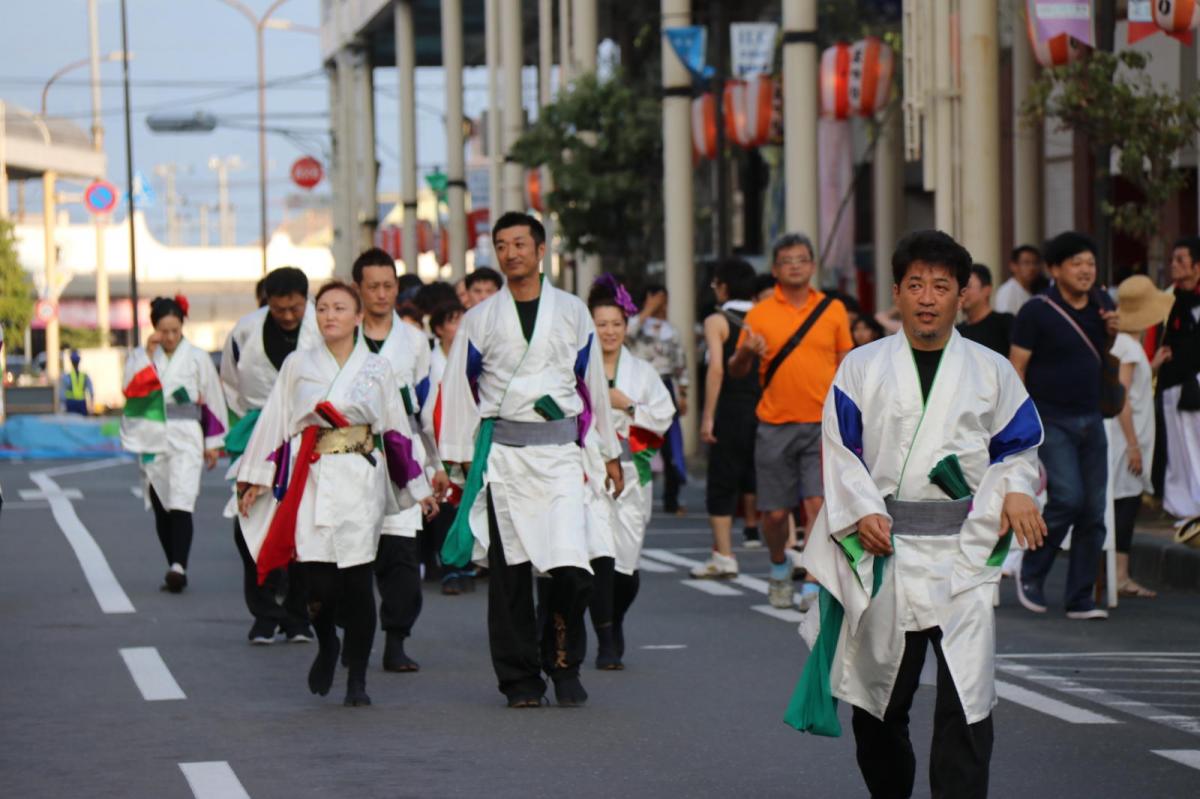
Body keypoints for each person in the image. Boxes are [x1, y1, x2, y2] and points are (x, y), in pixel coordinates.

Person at [788, 229, 1045, 799]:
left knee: (968, 705)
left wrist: (1018, 491)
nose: (927, 298)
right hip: (888, 552)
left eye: (941, 286)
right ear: (897, 294)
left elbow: (1018, 449)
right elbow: (840, 450)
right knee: (877, 707)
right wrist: (859, 512)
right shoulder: (861, 367)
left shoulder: (992, 371)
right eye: (916, 286)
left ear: (964, 296)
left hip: (964, 553)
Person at [436, 212, 621, 708]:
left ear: (541, 250)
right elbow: (459, 389)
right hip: (505, 458)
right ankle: (519, 679)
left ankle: (562, 661)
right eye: (502, 245)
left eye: (520, 243)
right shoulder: (480, 318)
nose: (511, 252)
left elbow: (592, 384)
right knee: (512, 573)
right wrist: (452, 463)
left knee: (571, 568)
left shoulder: (573, 311)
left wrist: (609, 451)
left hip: (562, 454)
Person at [236, 281, 431, 707]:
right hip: (314, 479)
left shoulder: (379, 369)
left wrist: (420, 486)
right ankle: (327, 644)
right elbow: (275, 422)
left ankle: (357, 678)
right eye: (322, 308)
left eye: (339, 308)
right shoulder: (297, 364)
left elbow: (396, 433)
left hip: (360, 481)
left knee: (358, 583)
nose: (329, 316)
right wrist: (254, 477)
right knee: (317, 584)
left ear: (358, 316)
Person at [727, 233, 853, 609]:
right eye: (787, 260)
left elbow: (848, 364)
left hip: (821, 424)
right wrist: (746, 353)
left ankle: (812, 580)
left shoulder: (833, 310)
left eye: (802, 259)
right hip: (774, 423)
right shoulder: (759, 314)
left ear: (812, 266)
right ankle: (779, 563)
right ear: (776, 269)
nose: (795, 265)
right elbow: (737, 371)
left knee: (816, 504)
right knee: (776, 512)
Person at [1010, 231, 1119, 619]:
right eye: (1077, 263)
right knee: (1068, 499)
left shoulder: (1103, 306)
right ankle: (1033, 567)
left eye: (1090, 263)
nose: (1086, 270)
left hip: (1093, 417)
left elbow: (1105, 355)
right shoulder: (1037, 311)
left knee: (1093, 511)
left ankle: (1080, 598)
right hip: (1051, 420)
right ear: (1056, 269)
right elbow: (1017, 367)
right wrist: (1018, 422)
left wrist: (1112, 331)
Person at [353, 247, 445, 673]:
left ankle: (395, 640)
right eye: (373, 286)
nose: (382, 294)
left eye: (388, 285)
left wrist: (437, 463)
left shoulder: (414, 342)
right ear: (359, 289)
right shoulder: (338, 336)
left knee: (402, 557)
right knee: (350, 556)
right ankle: (350, 638)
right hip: (348, 455)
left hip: (402, 456)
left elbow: (424, 409)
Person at [221, 267, 322, 644]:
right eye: (279, 309)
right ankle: (264, 612)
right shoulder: (245, 330)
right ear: (268, 302)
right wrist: (251, 422)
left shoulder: (323, 325)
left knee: (304, 527)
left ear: (306, 299)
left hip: (308, 432)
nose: (288, 316)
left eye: (295, 308)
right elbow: (230, 381)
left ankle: (298, 615)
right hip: (259, 431)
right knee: (248, 522)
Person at [584, 276, 676, 669]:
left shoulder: (641, 372)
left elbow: (664, 415)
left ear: (626, 326)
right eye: (601, 324)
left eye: (616, 324)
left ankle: (615, 616)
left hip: (631, 471)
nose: (609, 331)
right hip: (587, 472)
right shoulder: (577, 369)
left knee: (626, 563)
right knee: (599, 554)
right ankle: (605, 637)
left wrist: (629, 406)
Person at [120, 296, 227, 593]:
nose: (169, 337)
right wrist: (147, 353)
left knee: (181, 498)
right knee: (160, 502)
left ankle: (179, 565)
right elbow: (129, 387)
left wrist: (213, 442)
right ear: (154, 328)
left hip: (186, 434)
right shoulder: (142, 356)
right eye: (163, 331)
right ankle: (173, 563)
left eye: (174, 331)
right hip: (153, 433)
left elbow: (213, 400)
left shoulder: (197, 357)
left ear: (182, 327)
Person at [693, 259, 762, 580]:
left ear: (723, 286)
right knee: (769, 479)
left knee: (722, 480)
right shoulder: (768, 316)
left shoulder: (716, 321)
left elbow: (717, 369)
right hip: (768, 407)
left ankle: (723, 555)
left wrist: (707, 416)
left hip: (732, 408)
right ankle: (789, 547)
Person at [1110, 276, 1174, 598]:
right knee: (1125, 505)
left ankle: (1116, 574)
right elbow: (1122, 396)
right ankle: (1120, 575)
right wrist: (1133, 445)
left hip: (1125, 439)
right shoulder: (1129, 347)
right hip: (1126, 441)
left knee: (1122, 503)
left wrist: (1154, 363)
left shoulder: (1125, 346)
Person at [626, 283, 689, 515]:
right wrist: (647, 311)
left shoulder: (671, 330)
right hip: (639, 386)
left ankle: (671, 498)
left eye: (665, 300)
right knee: (639, 441)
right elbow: (626, 335)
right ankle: (636, 493)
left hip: (664, 386)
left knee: (670, 445)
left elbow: (680, 363)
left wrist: (683, 392)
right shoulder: (636, 325)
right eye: (658, 299)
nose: (662, 304)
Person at [1151, 236, 1200, 519]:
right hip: (1172, 387)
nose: (1174, 265)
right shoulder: (1167, 302)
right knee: (1178, 451)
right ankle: (1184, 506)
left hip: (1195, 384)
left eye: (1181, 260)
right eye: (1173, 260)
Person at [423, 301, 470, 594]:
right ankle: (449, 566)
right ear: (439, 328)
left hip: (468, 439)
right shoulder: (429, 363)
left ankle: (465, 563)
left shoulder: (472, 358)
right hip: (435, 442)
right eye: (453, 321)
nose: (460, 327)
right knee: (444, 505)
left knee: (466, 503)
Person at [957, 263, 1014, 356]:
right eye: (960, 287)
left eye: (968, 286)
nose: (962, 292)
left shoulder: (1005, 323)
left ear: (987, 290)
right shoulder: (958, 332)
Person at [993, 244, 1044, 315]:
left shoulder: (1038, 289)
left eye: (1035, 263)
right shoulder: (1007, 292)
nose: (1032, 268)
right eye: (1026, 263)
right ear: (1013, 266)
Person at [61, 350, 95, 415]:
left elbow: (62, 393)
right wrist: (91, 406)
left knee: (72, 423)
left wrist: (62, 405)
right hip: (80, 403)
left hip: (71, 403)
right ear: (79, 362)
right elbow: (91, 392)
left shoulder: (67, 377)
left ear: (71, 362)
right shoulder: (84, 376)